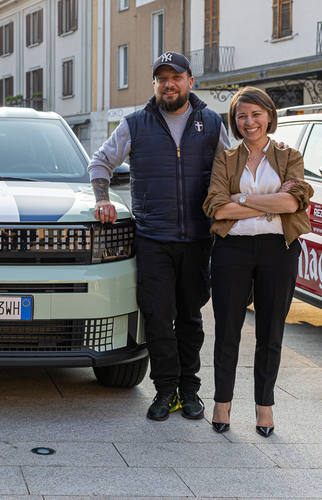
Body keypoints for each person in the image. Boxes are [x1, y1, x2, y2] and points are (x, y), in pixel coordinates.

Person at [88, 51, 231, 421]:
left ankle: (190, 390)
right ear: (154, 84)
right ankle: (166, 390)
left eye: (176, 77)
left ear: (189, 82)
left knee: (190, 318)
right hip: (152, 238)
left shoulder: (212, 123)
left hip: (198, 239)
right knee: (157, 317)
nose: (169, 85)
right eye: (162, 78)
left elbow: (234, 168)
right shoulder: (135, 124)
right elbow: (100, 161)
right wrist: (102, 199)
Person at [203, 86, 312, 437]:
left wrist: (241, 199)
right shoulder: (226, 159)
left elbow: (292, 203)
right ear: (234, 121)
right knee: (227, 330)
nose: (249, 122)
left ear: (269, 116)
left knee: (270, 331)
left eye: (255, 114)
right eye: (241, 116)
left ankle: (264, 407)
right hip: (231, 250)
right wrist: (268, 202)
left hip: (278, 250)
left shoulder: (289, 155)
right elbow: (217, 208)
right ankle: (222, 403)